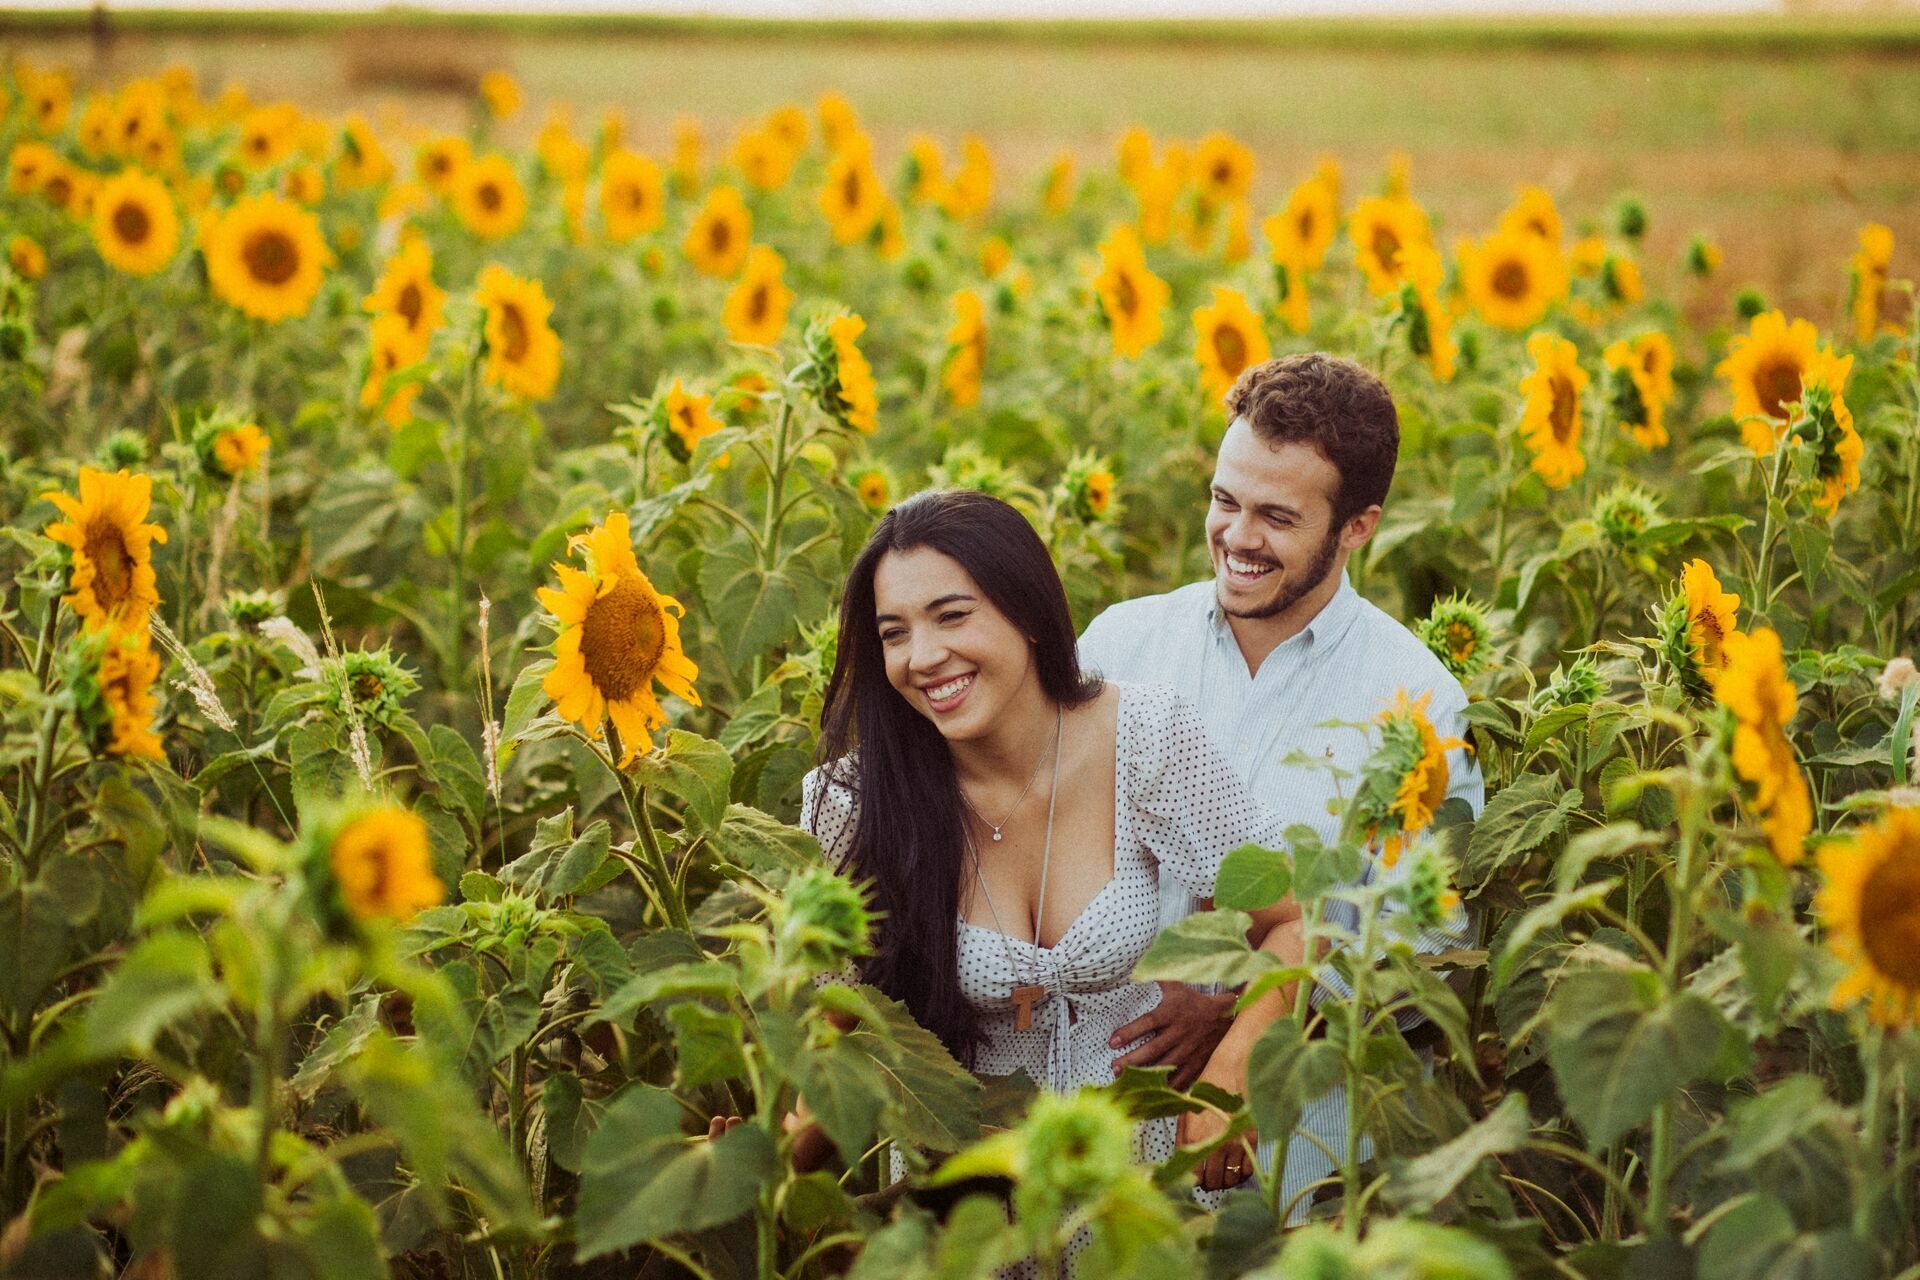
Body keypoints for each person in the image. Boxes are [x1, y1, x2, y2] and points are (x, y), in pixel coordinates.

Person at [799, 488, 1303, 1200]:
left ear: (1028, 612)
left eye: (951, 616)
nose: (924, 656)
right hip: (967, 1209)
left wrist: (1234, 1066)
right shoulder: (854, 804)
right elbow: (840, 1045)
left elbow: (1289, 923)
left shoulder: (1145, 740)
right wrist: (757, 1166)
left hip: (1132, 1191)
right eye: (893, 633)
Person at [1077, 353, 1484, 1221]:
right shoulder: (1122, 650)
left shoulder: (1413, 705)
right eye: (1225, 501)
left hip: (1300, 1161)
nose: (1237, 537)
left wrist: (1240, 1009)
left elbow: (1427, 953)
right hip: (1107, 1135)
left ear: (1357, 527)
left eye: (1276, 516)